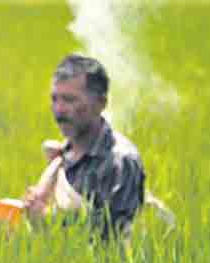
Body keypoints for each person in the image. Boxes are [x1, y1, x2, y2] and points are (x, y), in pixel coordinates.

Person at [22, 54, 146, 239]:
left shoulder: (120, 161)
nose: (59, 109)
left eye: (69, 100)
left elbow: (111, 233)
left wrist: (48, 218)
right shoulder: (61, 158)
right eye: (54, 99)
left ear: (100, 104)